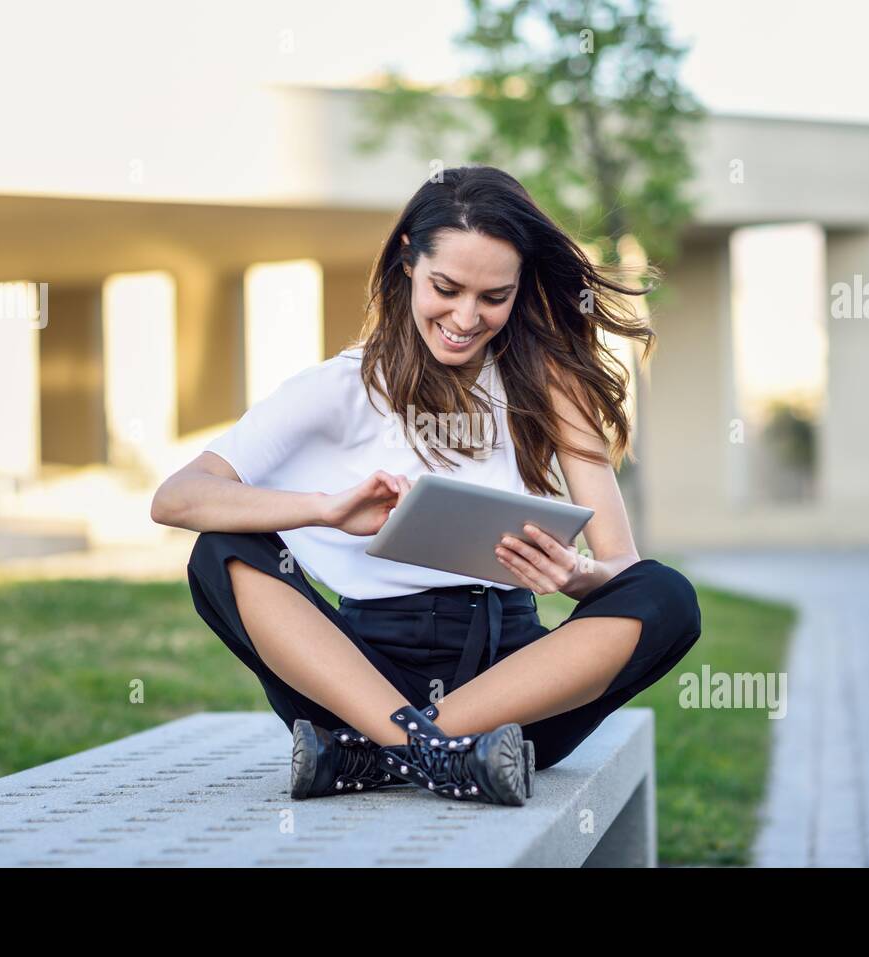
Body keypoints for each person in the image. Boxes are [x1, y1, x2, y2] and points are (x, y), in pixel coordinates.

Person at [151, 165, 702, 807]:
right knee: (221, 550)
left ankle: (381, 756)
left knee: (667, 594)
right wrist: (326, 510)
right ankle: (429, 750)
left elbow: (620, 566)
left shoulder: (553, 387)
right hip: (364, 681)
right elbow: (178, 497)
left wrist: (575, 576)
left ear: (519, 289)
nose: (466, 317)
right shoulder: (339, 388)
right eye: (447, 287)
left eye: (493, 297)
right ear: (408, 260)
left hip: (512, 690)